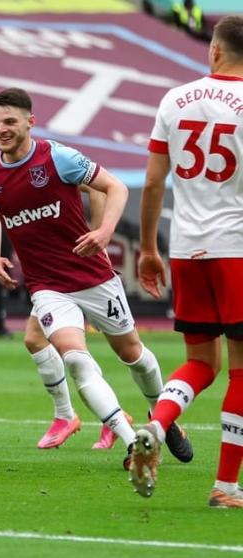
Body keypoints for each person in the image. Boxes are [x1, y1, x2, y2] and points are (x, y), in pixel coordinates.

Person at [0, 87, 169, 470]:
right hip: (48, 287)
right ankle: (134, 444)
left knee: (133, 356)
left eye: (9, 122)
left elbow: (113, 186)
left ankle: (163, 419)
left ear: (30, 122)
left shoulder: (58, 157)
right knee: (77, 361)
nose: (0, 129)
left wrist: (104, 231)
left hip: (94, 278)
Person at [132, 15, 243, 506]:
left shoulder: (174, 99)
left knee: (201, 360)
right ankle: (224, 487)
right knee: (240, 372)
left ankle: (156, 424)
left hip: (186, 246)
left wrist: (148, 248)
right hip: (236, 247)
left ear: (214, 50)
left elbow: (155, 182)